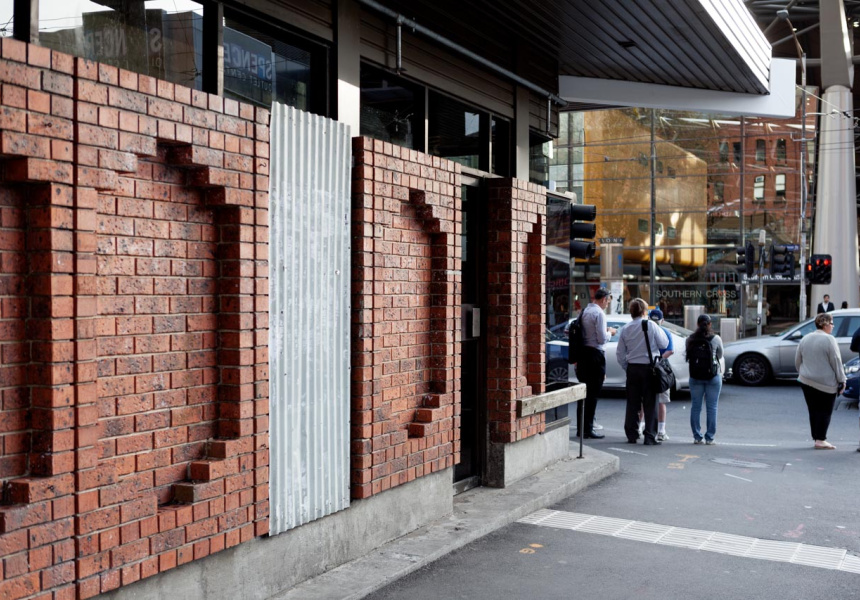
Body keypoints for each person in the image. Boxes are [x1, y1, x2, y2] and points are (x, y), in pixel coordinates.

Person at [616, 298, 669, 445]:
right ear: (645, 311)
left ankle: (631, 434)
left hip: (633, 369)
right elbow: (664, 343)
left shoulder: (626, 328)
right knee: (650, 403)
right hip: (649, 368)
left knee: (632, 404)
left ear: (631, 312)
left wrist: (627, 367)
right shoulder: (651, 325)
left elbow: (620, 353)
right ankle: (649, 436)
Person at [795, 312, 845, 450]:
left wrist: (803, 373)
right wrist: (842, 380)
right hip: (826, 384)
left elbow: (798, 360)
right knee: (825, 411)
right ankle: (821, 439)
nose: (833, 326)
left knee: (813, 410)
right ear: (825, 324)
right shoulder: (829, 339)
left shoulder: (805, 338)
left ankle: (816, 437)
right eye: (832, 323)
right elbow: (836, 361)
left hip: (806, 381)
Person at [574, 288, 617, 439]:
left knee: (583, 394)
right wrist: (610, 332)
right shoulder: (599, 313)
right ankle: (588, 429)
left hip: (583, 355)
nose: (607, 305)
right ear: (604, 299)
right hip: (595, 356)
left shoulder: (585, 311)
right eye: (608, 302)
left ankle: (581, 428)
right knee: (592, 394)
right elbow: (602, 339)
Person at [686, 314, 724, 445]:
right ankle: (709, 438)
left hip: (695, 376)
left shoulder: (690, 339)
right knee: (712, 407)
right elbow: (720, 355)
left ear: (697, 324)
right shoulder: (716, 338)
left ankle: (697, 437)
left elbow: (688, 355)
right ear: (710, 324)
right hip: (713, 376)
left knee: (696, 407)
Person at [646, 308, 674, 441]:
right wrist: (660, 359)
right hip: (660, 370)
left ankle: (640, 427)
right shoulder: (665, 332)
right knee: (662, 400)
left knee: (644, 400)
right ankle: (661, 431)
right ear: (662, 320)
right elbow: (670, 350)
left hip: (646, 366)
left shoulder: (645, 331)